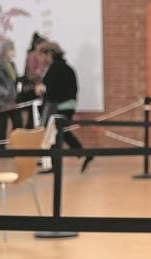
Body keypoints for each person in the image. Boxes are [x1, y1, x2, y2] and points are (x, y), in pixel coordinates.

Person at [35, 42, 90, 172]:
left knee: (55, 133)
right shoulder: (64, 67)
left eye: (42, 55)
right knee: (62, 133)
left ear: (49, 53)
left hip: (60, 106)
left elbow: (53, 92)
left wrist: (42, 91)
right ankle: (82, 153)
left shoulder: (56, 68)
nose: (40, 59)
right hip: (66, 104)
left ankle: (56, 163)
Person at [0, 41, 22, 150]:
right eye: (9, 49)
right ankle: (1, 148)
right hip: (0, 100)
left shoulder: (11, 64)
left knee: (18, 122)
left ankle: (17, 144)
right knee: (2, 124)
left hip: (12, 99)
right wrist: (2, 90)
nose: (11, 51)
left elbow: (14, 80)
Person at [17, 33, 45, 129]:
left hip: (36, 88)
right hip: (31, 89)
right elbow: (32, 73)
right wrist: (40, 75)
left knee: (36, 116)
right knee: (32, 116)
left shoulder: (38, 55)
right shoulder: (32, 55)